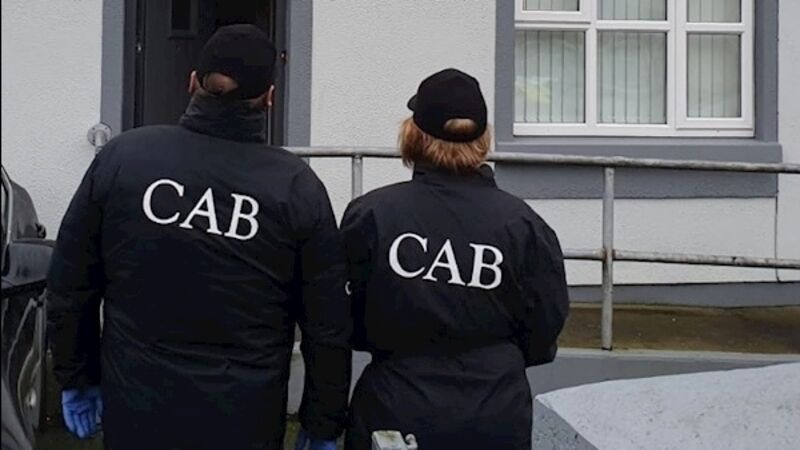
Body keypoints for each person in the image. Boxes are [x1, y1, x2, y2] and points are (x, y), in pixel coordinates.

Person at [47, 24, 350, 450]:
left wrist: (76, 374)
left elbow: (71, 281)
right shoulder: (295, 186)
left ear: (192, 82)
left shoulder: (125, 158)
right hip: (244, 419)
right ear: (269, 98)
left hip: (138, 408)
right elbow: (326, 322)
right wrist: (322, 422)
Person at [341, 69, 570, 450]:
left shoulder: (373, 214)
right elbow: (545, 323)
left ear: (413, 135)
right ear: (483, 139)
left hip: (396, 408)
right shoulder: (523, 225)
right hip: (496, 414)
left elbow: (342, 313)